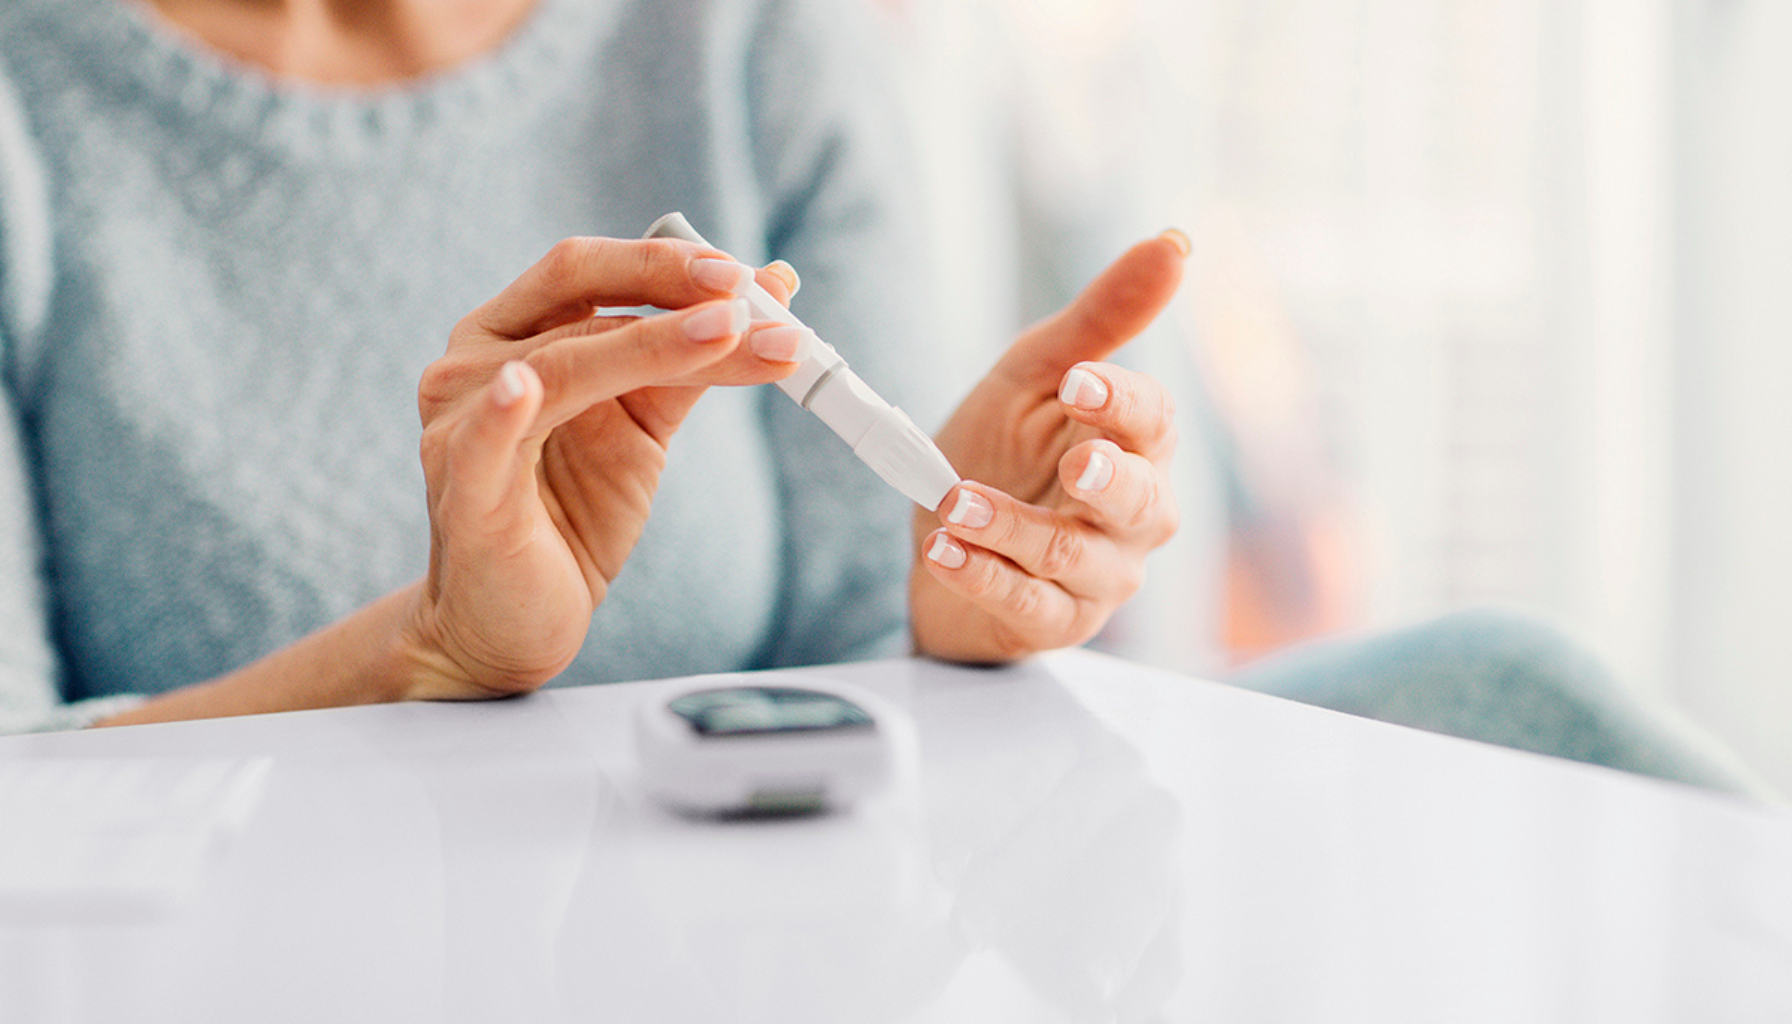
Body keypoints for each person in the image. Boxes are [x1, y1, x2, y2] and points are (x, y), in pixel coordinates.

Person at [0, 0, 1180, 730]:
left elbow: (860, 672)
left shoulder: (754, 34)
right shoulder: (32, 100)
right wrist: (427, 653)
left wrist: (948, 612)